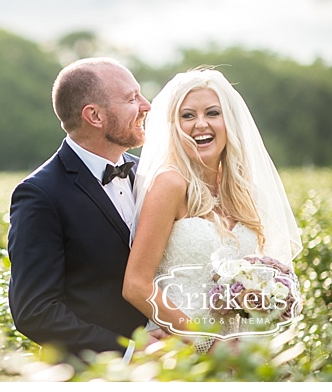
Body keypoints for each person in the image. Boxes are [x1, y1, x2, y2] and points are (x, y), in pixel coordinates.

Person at [122, 67, 302, 353]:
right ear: (173, 125)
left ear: (229, 121)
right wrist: (207, 343)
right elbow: (136, 284)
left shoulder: (245, 190)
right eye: (188, 115)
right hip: (183, 347)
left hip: (247, 350)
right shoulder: (170, 183)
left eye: (212, 113)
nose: (200, 124)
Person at [7, 57, 158, 362]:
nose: (146, 105)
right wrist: (127, 351)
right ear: (94, 116)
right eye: (132, 98)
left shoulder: (151, 176)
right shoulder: (39, 194)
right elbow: (35, 311)